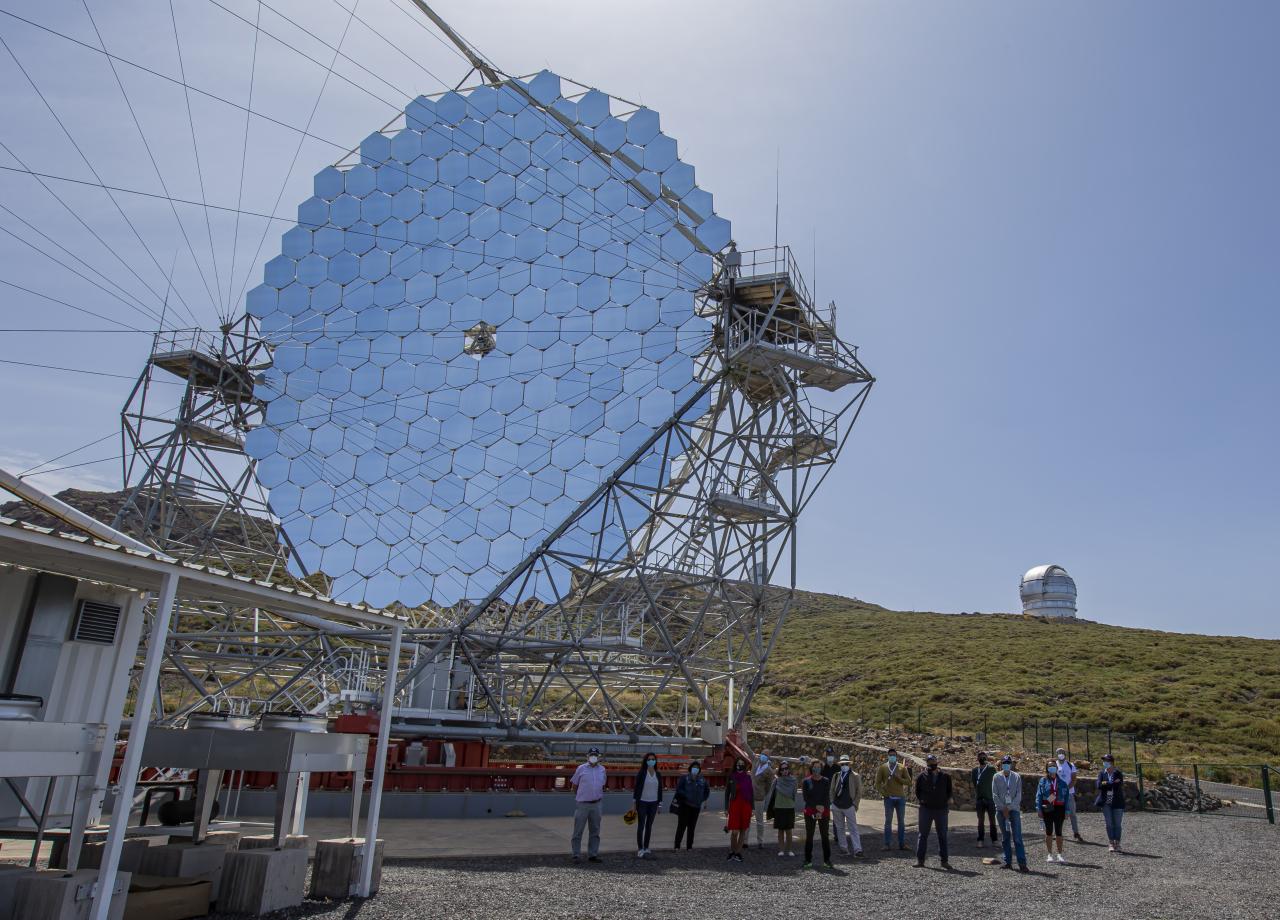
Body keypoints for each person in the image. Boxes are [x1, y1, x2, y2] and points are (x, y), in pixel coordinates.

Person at [914, 753, 953, 869]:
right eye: (930, 762)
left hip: (941, 810)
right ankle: (920, 860)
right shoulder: (922, 776)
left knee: (942, 835)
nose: (932, 764)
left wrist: (947, 801)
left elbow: (949, 791)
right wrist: (923, 800)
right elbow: (917, 791)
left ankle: (944, 861)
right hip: (926, 809)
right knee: (923, 835)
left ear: (937, 762)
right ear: (927, 763)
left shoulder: (945, 776)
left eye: (933, 761)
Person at [992, 755, 1029, 872]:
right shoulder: (996, 777)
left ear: (1011, 764)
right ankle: (1008, 862)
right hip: (1001, 811)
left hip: (1014, 810)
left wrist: (1010, 807)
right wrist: (1003, 808)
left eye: (1008, 762)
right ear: (1001, 764)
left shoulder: (1016, 777)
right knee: (1005, 837)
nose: (1006, 764)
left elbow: (1018, 795)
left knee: (1017, 837)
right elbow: (994, 794)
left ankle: (1022, 863)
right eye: (1004, 763)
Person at [570, 746, 606, 862]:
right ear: (587, 756)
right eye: (591, 755)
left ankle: (593, 854)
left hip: (597, 804)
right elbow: (574, 785)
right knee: (578, 830)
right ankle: (576, 854)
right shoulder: (581, 769)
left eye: (595, 755)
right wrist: (581, 796)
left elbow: (603, 785)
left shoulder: (602, 770)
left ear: (599, 757)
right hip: (583, 804)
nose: (593, 757)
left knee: (595, 830)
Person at [875, 748, 912, 851]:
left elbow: (909, 782)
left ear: (896, 756)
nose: (892, 756)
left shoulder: (901, 767)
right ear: (888, 756)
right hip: (889, 799)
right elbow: (877, 783)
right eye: (890, 755)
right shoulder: (883, 768)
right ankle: (887, 844)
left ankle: (902, 844)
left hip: (900, 798)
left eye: (894, 755)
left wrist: (899, 778)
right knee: (888, 822)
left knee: (901, 822)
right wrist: (884, 794)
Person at [1035, 759, 1069, 863]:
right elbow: (1039, 795)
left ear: (1057, 768)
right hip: (1047, 808)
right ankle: (1049, 854)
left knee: (1059, 831)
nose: (1052, 768)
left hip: (1059, 808)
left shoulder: (1062, 782)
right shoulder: (1043, 781)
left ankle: (1059, 854)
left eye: (1054, 766)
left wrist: (1067, 811)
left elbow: (1067, 797)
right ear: (1047, 769)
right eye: (1050, 766)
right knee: (1049, 831)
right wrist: (1038, 808)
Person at [801, 759, 833, 869]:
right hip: (810, 812)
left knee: (825, 836)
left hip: (824, 812)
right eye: (815, 767)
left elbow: (826, 796)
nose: (816, 769)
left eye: (819, 767)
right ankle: (808, 860)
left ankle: (827, 860)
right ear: (811, 768)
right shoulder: (806, 781)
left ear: (821, 768)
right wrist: (816, 807)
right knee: (809, 836)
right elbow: (806, 798)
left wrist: (821, 810)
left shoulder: (826, 781)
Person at [830, 754, 864, 857]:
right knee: (840, 828)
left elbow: (859, 791)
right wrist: (832, 802)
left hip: (849, 805)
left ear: (849, 764)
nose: (844, 765)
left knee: (853, 828)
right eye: (842, 764)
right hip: (837, 805)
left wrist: (855, 804)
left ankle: (858, 849)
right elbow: (831, 790)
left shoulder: (855, 776)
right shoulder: (836, 775)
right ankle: (843, 848)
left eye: (846, 764)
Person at [673, 759, 710, 850]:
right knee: (681, 826)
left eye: (697, 768)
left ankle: (689, 846)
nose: (695, 769)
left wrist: (702, 799)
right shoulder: (684, 778)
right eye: (694, 767)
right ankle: (677, 846)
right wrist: (686, 795)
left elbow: (707, 791)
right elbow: (679, 789)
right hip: (685, 805)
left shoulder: (702, 780)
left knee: (692, 827)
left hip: (696, 807)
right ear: (690, 768)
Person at [1094, 753, 1127, 853]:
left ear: (1112, 762)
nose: (1105, 762)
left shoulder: (1118, 773)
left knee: (1117, 824)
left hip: (1117, 802)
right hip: (1106, 802)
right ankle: (1111, 842)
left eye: (1107, 761)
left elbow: (1118, 785)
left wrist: (1106, 783)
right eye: (1104, 761)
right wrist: (1111, 783)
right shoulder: (1101, 773)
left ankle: (1117, 843)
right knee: (1109, 823)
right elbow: (1099, 785)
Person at [632, 752, 663, 857]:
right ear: (646, 761)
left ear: (655, 761)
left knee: (649, 826)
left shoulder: (658, 774)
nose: (651, 761)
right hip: (642, 802)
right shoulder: (642, 773)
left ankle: (646, 847)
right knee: (641, 825)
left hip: (653, 803)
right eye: (649, 759)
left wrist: (660, 804)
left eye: (653, 759)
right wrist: (634, 803)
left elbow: (659, 790)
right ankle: (640, 849)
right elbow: (636, 789)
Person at [766, 759, 799, 856]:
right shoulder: (777, 781)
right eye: (782, 769)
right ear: (780, 770)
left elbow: (795, 792)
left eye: (786, 768)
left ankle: (789, 850)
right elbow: (771, 792)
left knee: (789, 830)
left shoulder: (793, 781)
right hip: (779, 807)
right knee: (780, 830)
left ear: (789, 769)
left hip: (789, 807)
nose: (784, 770)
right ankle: (781, 849)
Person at [725, 756, 754, 861]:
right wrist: (725, 808)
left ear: (744, 765)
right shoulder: (732, 777)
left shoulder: (748, 777)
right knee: (734, 831)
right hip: (735, 805)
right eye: (738, 763)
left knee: (743, 830)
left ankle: (738, 853)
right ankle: (732, 851)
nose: (740, 765)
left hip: (746, 806)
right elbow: (727, 793)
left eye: (742, 764)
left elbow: (751, 793)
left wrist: (753, 808)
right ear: (735, 765)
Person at [1055, 748, 1085, 841]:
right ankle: (1058, 833)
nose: (1061, 754)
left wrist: (1066, 789)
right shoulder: (1054, 764)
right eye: (1059, 753)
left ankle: (1076, 832)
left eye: (1062, 752)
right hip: (1058, 794)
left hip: (1069, 793)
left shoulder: (1070, 765)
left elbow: (1074, 779)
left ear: (1065, 754)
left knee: (1072, 813)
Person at [972, 751, 999, 847]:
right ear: (977, 759)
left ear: (986, 758)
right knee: (980, 821)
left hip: (990, 799)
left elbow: (996, 780)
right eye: (980, 757)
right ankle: (980, 839)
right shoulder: (975, 771)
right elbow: (975, 784)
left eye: (984, 757)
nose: (982, 758)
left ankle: (994, 840)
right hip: (980, 799)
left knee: (992, 821)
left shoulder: (991, 769)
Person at [752, 750, 776, 848]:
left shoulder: (769, 771)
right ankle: (744, 841)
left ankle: (760, 841)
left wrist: (762, 793)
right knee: (745, 818)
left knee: (759, 820)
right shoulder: (755, 761)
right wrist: (743, 742)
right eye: (763, 754)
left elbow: (769, 786)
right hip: (749, 795)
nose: (763, 756)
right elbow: (749, 752)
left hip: (759, 797)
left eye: (766, 755)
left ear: (769, 757)